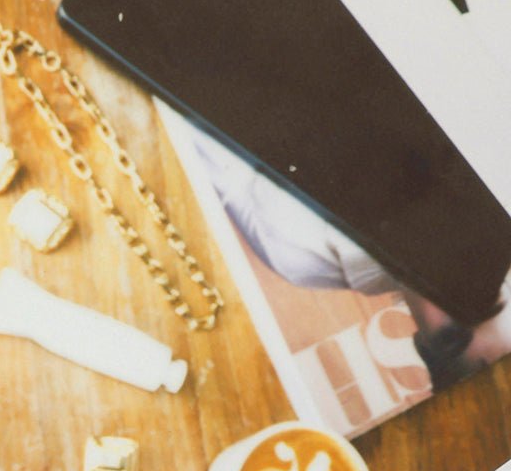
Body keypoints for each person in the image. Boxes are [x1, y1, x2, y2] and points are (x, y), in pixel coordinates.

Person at [192, 129, 511, 391]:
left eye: (452, 333)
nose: (460, 289)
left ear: (422, 342)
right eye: (493, 291)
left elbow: (199, 136)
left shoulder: (296, 252)